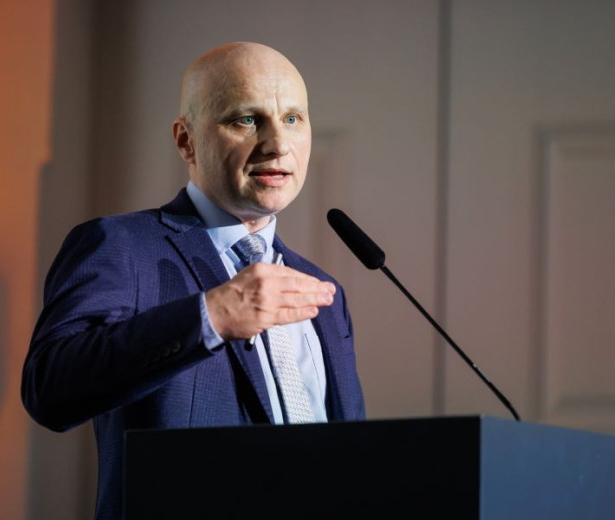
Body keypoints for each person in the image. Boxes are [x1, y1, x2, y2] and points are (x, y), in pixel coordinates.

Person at [21, 41, 365, 520]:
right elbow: (49, 389)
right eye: (247, 119)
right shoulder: (123, 247)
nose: (277, 144)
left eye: (292, 118)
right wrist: (211, 317)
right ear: (186, 141)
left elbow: (350, 458)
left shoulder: (322, 290)